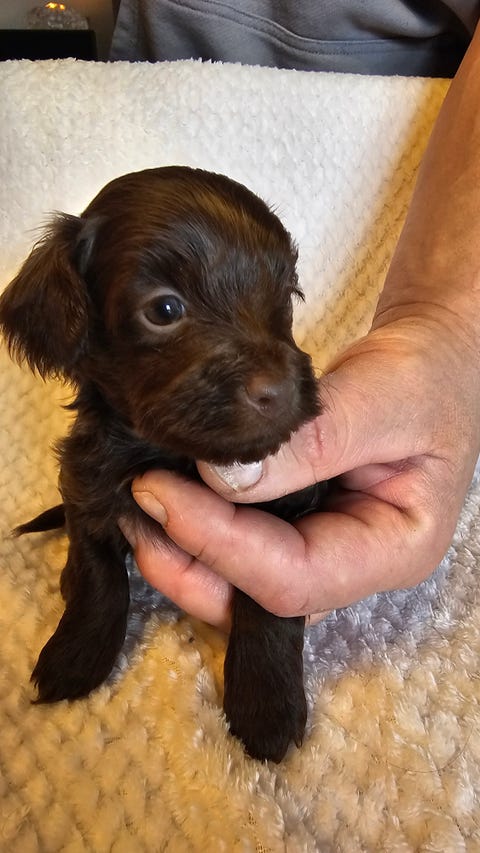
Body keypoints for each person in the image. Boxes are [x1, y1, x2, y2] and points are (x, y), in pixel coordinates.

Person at [112, 2, 480, 630]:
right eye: (166, 311)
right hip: (137, 81)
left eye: (281, 298)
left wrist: (450, 323)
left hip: (427, 135)